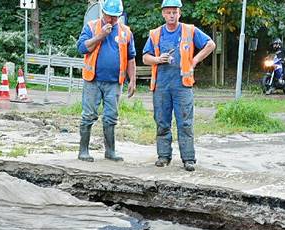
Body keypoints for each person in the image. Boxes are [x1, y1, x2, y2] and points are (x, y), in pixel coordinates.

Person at [143, 0, 215, 171]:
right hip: (161, 86)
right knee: (162, 122)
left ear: (179, 13)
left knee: (185, 123)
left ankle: (188, 159)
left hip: (182, 85)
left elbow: (210, 44)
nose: (171, 15)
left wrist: (195, 60)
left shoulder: (189, 30)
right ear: (163, 14)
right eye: (168, 12)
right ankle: (163, 156)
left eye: (174, 12)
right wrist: (157, 59)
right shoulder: (156, 34)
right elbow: (145, 57)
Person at [76, 0, 137, 162]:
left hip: (114, 82)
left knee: (111, 117)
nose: (112, 20)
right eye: (109, 16)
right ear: (103, 13)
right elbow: (82, 48)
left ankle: (110, 152)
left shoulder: (126, 32)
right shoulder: (91, 26)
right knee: (88, 115)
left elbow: (131, 58)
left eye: (115, 17)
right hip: (93, 80)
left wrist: (133, 80)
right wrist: (100, 36)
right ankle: (83, 151)